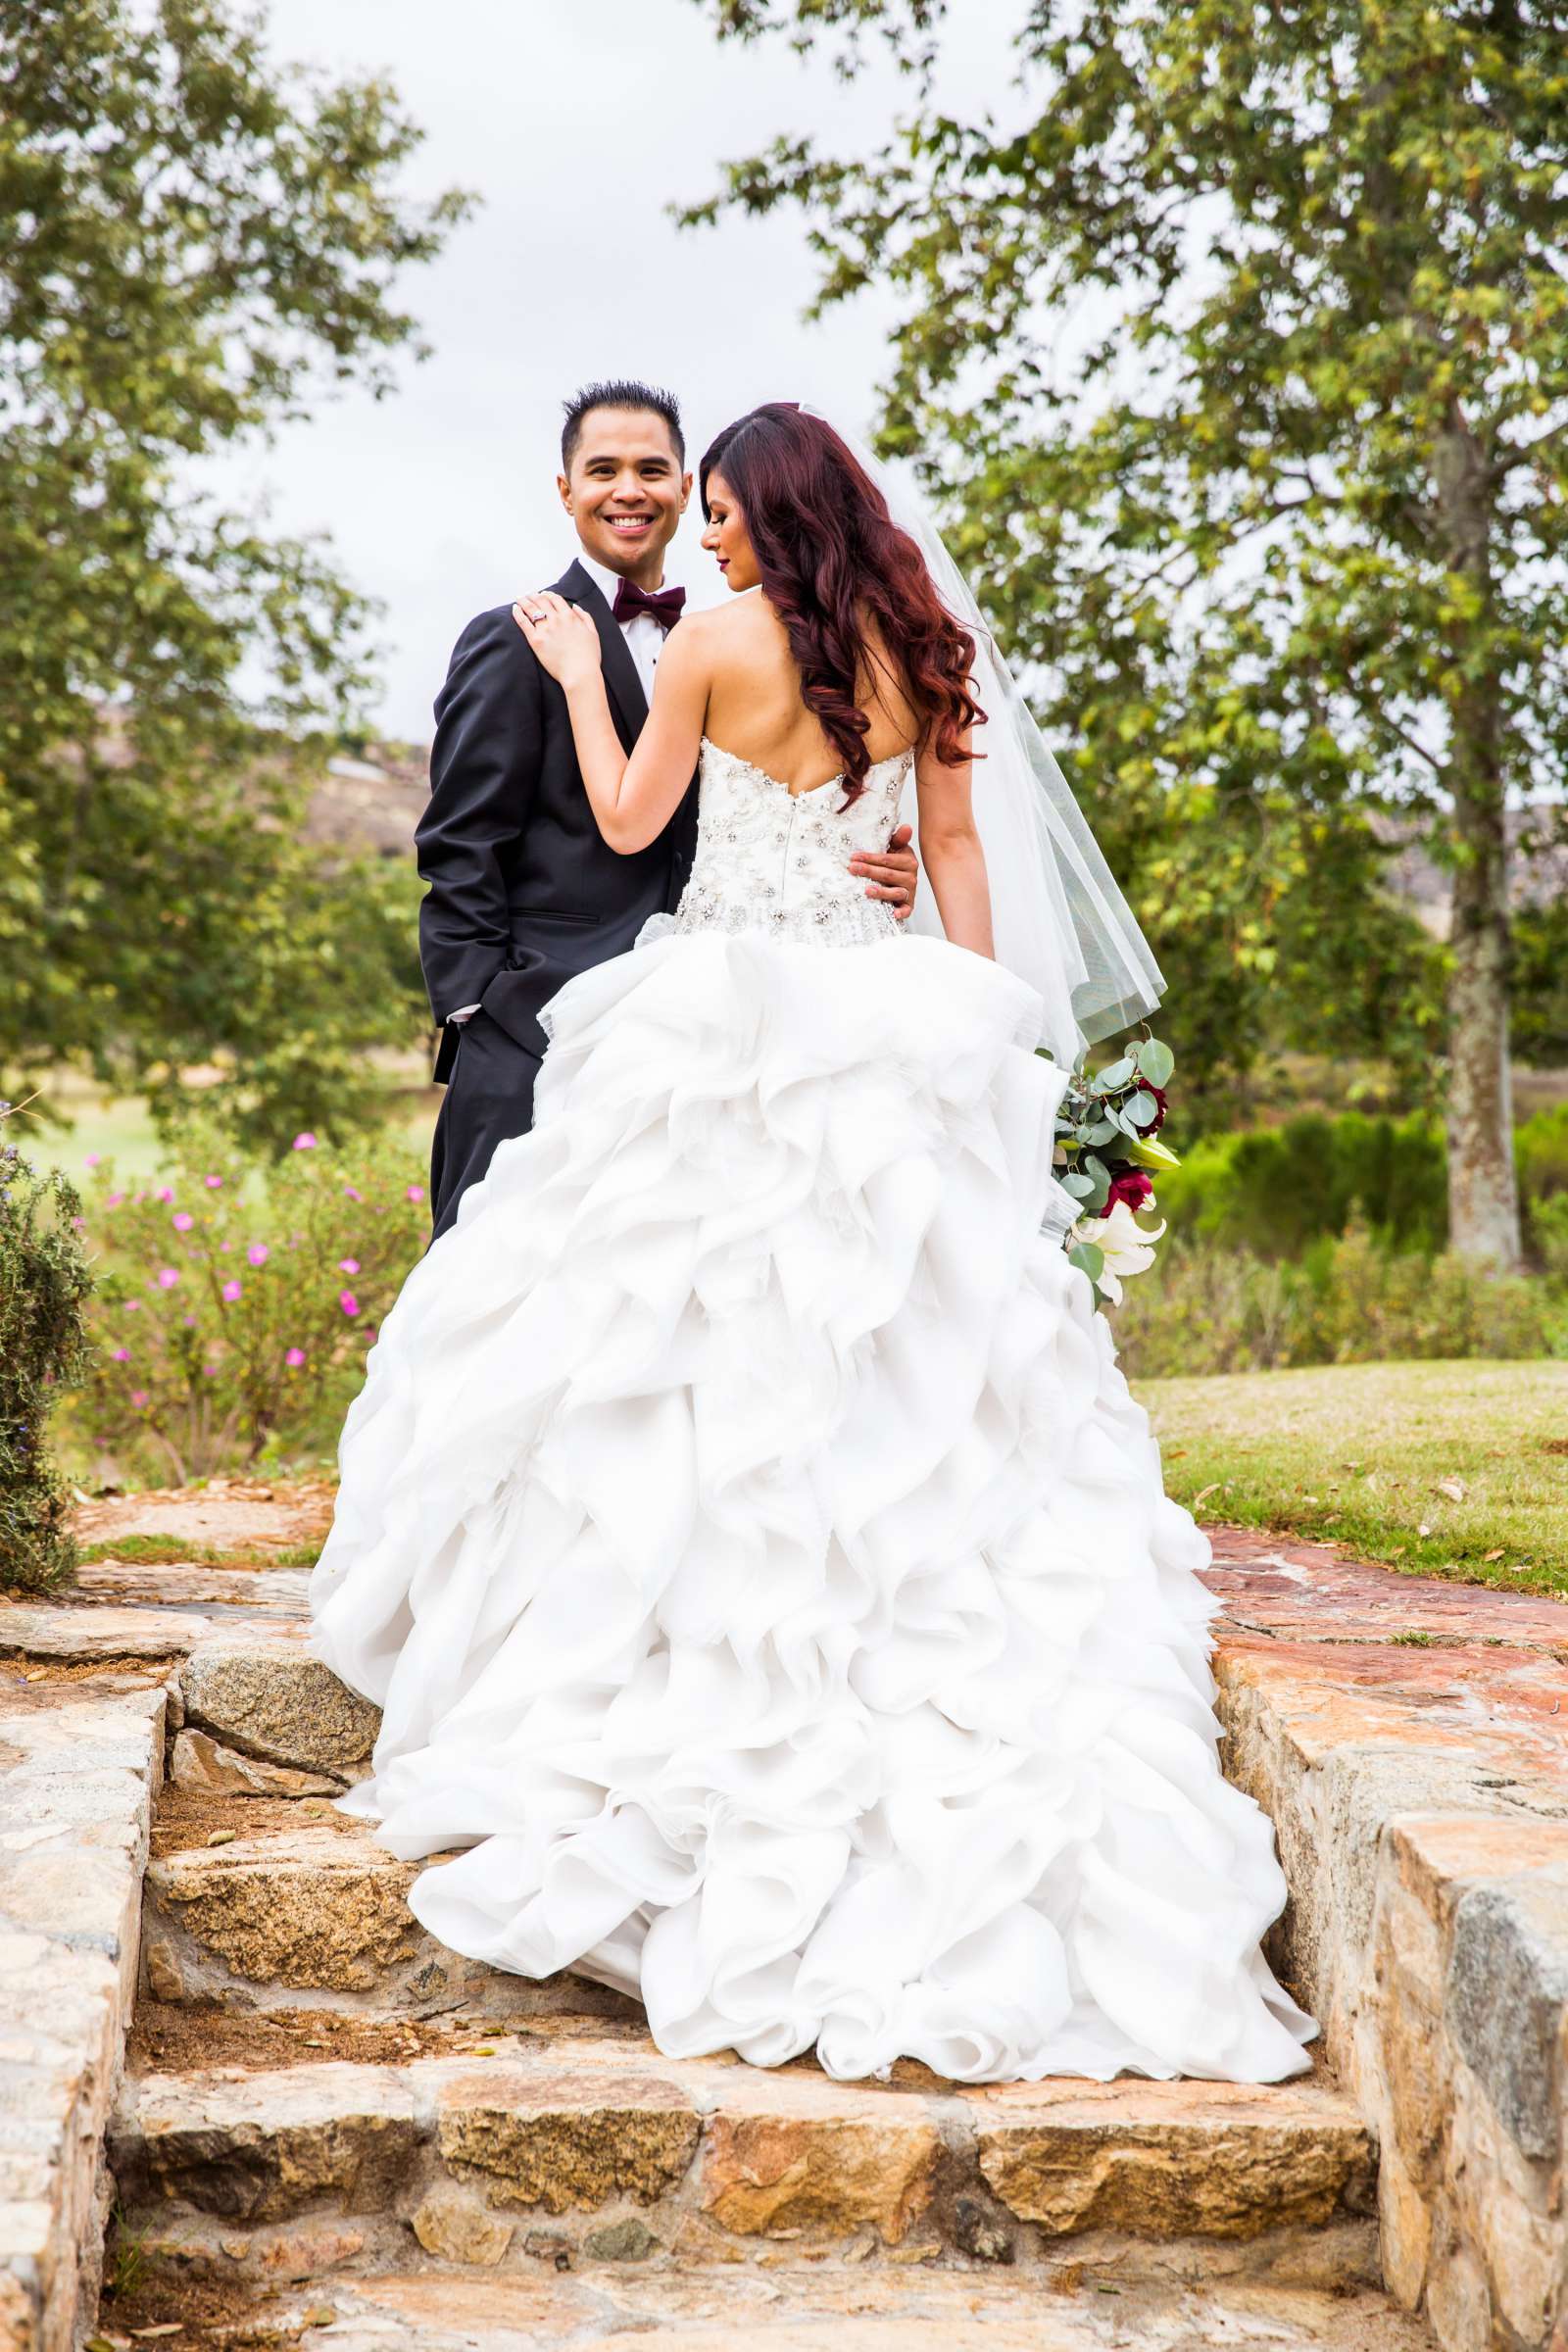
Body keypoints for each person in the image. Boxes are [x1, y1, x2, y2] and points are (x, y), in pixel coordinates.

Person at [310, 403, 1316, 2087]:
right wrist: (986, 1030)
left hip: (727, 1013)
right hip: (886, 1005)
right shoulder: (922, 645)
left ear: (763, 514)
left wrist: (577, 679)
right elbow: (960, 852)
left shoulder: (706, 643)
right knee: (891, 1342)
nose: (698, 536)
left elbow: (634, 827)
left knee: (677, 1334)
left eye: (713, 510)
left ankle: (672, 1640)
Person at [416, 379, 918, 1240]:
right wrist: (481, 1013)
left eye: (652, 469)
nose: (629, 489)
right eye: (602, 469)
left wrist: (871, 859)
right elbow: (460, 843)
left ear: (688, 488)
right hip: (535, 1034)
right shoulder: (514, 636)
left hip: (722, 1039)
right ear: (565, 489)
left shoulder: (742, 639)